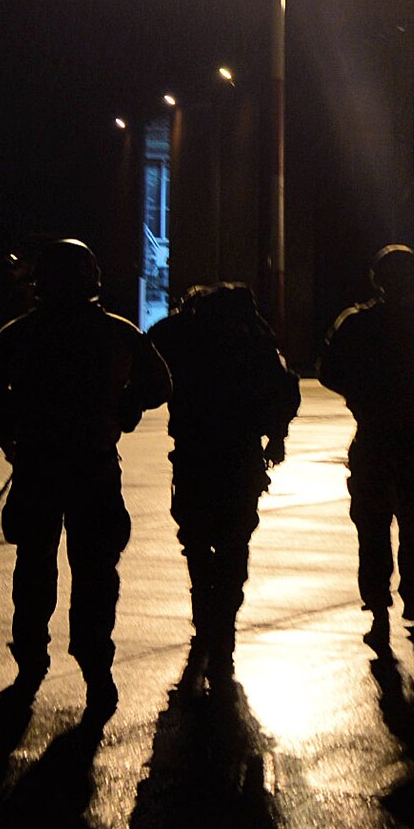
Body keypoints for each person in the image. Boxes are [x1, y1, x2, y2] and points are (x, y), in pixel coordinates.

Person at [0, 238, 170, 715]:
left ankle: (32, 658)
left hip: (38, 467)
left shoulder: (19, 334)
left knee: (36, 566)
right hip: (92, 467)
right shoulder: (117, 332)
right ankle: (96, 669)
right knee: (95, 572)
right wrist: (123, 409)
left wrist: (6, 435)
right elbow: (159, 384)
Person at [318, 245, 414, 648]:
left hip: (372, 437)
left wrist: (361, 396)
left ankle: (378, 603)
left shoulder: (356, 323)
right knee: (413, 520)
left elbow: (328, 372)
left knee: (372, 524)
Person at [147, 283, 300, 675]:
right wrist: (277, 437)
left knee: (196, 542)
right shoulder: (254, 339)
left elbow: (147, 370)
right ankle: (224, 626)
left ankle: (204, 618)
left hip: (194, 453)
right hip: (240, 454)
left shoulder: (181, 335)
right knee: (235, 542)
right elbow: (284, 391)